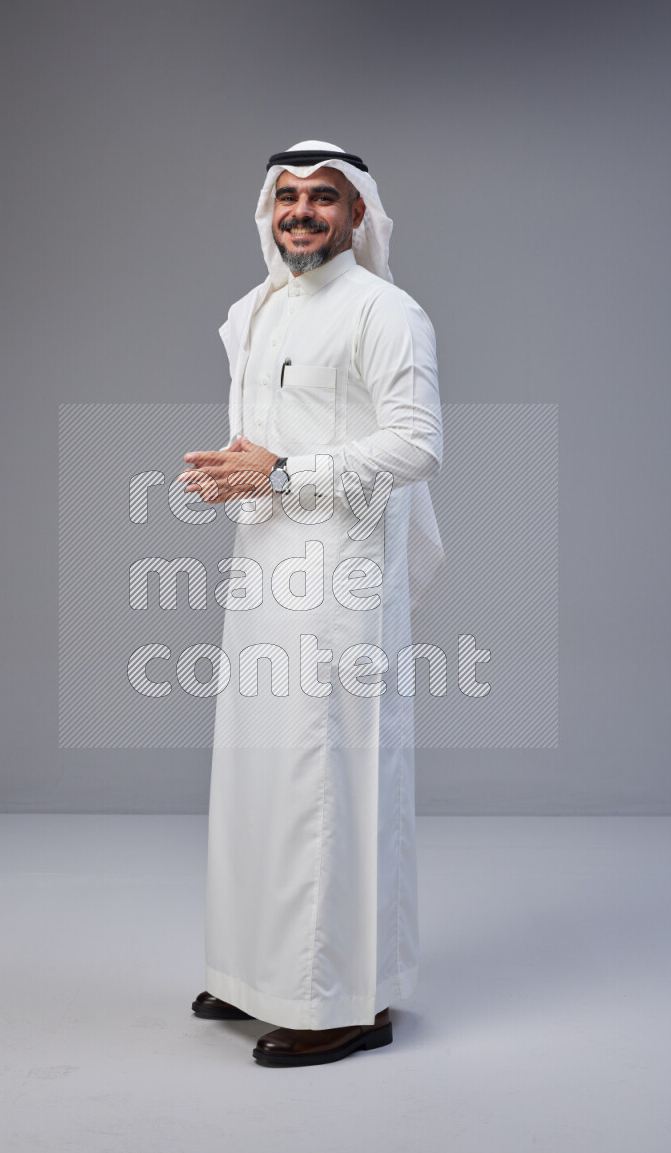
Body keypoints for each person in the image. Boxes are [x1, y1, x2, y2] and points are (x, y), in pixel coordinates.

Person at [179, 140, 445, 1067]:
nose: (301, 211)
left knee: (324, 779)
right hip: (264, 564)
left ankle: (339, 997)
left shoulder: (386, 311)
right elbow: (264, 437)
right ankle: (260, 972)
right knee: (256, 774)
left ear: (359, 213)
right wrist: (241, 474)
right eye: (287, 196)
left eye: (323, 197)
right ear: (268, 210)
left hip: (341, 576)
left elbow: (415, 446)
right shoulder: (253, 310)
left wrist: (287, 471)